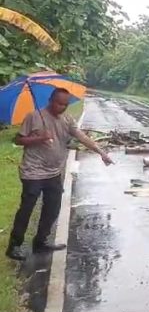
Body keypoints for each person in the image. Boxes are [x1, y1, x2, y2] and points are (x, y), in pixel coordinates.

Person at [6, 88, 114, 261]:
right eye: (59, 103)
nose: (62, 107)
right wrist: (38, 138)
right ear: (50, 100)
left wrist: (101, 152)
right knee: (26, 209)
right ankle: (14, 246)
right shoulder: (34, 116)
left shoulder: (66, 119)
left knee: (52, 209)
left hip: (53, 172)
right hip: (33, 172)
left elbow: (82, 137)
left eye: (65, 104)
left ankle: (40, 242)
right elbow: (18, 140)